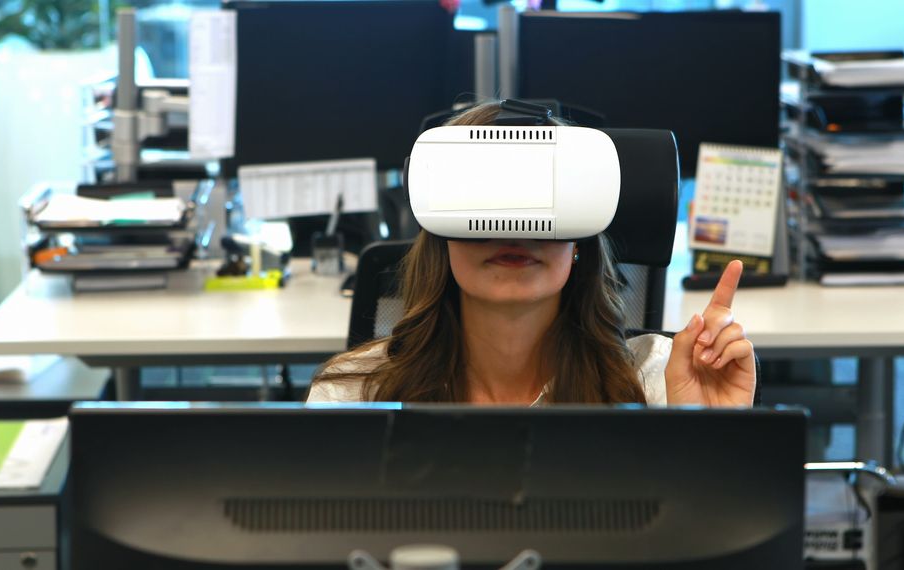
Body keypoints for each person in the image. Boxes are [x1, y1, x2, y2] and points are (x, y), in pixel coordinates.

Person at [307, 103, 755, 406]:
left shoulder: (661, 382)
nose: (513, 230)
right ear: (441, 237)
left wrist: (709, 432)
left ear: (580, 241)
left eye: (539, 202)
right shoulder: (355, 393)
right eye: (485, 200)